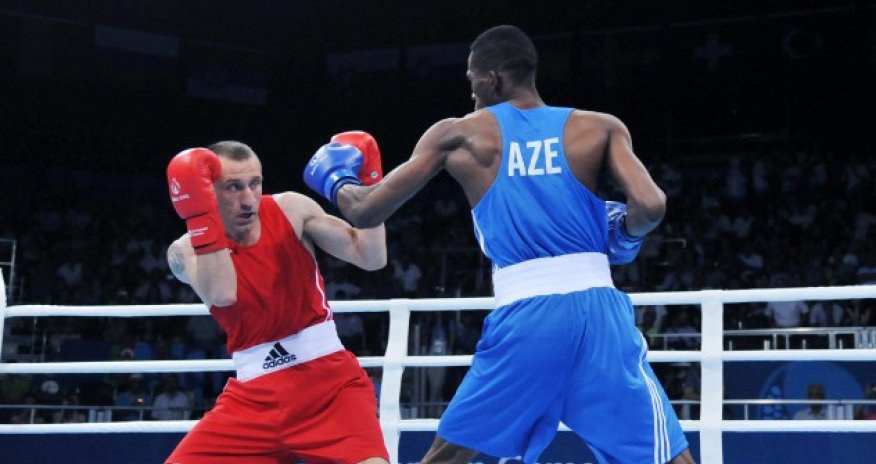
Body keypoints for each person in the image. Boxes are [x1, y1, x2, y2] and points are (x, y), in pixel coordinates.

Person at [305, 24, 693, 464]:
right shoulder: (599, 128)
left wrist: (337, 180)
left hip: (529, 318)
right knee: (666, 457)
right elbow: (652, 204)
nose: (471, 97)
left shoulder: (460, 134)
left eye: (472, 84)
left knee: (448, 455)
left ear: (491, 79)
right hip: (601, 314)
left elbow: (365, 211)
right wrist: (624, 233)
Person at [165, 139, 389, 463]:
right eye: (232, 187)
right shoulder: (184, 251)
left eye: (254, 183)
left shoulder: (291, 210)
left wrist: (371, 187)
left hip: (328, 387)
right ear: (205, 190)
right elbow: (223, 293)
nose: (247, 200)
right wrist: (200, 215)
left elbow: (371, 256)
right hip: (252, 400)